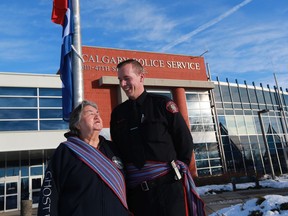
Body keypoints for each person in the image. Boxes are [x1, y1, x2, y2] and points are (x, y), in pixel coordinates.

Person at [110, 59, 205, 216]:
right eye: (120, 79)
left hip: (168, 190)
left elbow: (184, 141)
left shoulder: (162, 104)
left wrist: (178, 172)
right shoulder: (118, 114)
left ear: (141, 77)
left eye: (127, 78)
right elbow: (117, 149)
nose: (123, 84)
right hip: (136, 195)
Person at [38, 100, 130, 216]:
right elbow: (50, 192)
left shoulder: (113, 149)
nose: (97, 116)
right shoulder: (65, 152)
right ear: (77, 124)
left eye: (98, 113)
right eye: (90, 113)